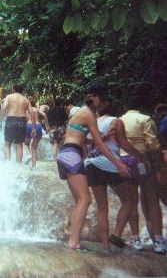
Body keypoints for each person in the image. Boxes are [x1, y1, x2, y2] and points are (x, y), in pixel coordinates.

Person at [56, 83, 130, 252]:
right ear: (94, 98)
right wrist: (118, 164)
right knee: (85, 200)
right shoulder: (89, 114)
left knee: (79, 201)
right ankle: (74, 242)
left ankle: (73, 241)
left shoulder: (81, 112)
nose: (103, 104)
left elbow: (83, 138)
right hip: (73, 155)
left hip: (65, 154)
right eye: (102, 101)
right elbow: (97, 144)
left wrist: (103, 137)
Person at [84, 100, 143, 251]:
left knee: (102, 207)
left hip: (91, 164)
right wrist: (141, 156)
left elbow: (87, 143)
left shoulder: (92, 121)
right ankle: (116, 235)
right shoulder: (116, 122)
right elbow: (123, 143)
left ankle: (106, 247)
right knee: (131, 199)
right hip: (110, 163)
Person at [121, 103, 165, 253]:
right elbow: (152, 145)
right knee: (152, 199)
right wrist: (160, 166)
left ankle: (135, 239)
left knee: (131, 200)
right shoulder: (145, 119)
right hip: (142, 159)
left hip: (124, 160)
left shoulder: (119, 119)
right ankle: (158, 240)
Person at [0, 85, 36, 164]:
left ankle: (7, 164)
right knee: (19, 145)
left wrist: (0, 121)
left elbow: (3, 108)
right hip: (22, 121)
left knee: (7, 144)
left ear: (13, 89)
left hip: (11, 120)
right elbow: (32, 113)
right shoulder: (26, 100)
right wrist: (33, 128)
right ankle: (18, 165)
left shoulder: (9, 97)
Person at [24, 101, 50, 167]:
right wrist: (47, 126)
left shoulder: (26, 110)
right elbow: (44, 115)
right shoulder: (36, 110)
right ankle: (34, 166)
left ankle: (29, 155)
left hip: (29, 125)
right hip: (38, 126)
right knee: (34, 148)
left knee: (26, 144)